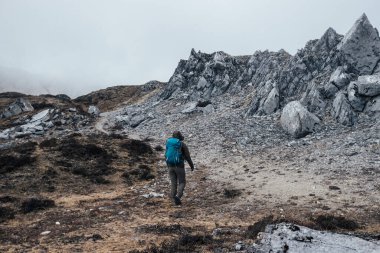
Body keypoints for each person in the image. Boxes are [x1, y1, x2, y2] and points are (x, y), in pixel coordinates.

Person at [165, 131, 194, 205]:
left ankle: (173, 198)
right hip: (179, 166)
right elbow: (187, 156)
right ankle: (178, 196)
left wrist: (168, 165)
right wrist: (191, 165)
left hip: (170, 165)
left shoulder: (168, 143)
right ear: (180, 136)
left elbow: (166, 155)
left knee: (173, 183)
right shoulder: (182, 144)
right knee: (182, 182)